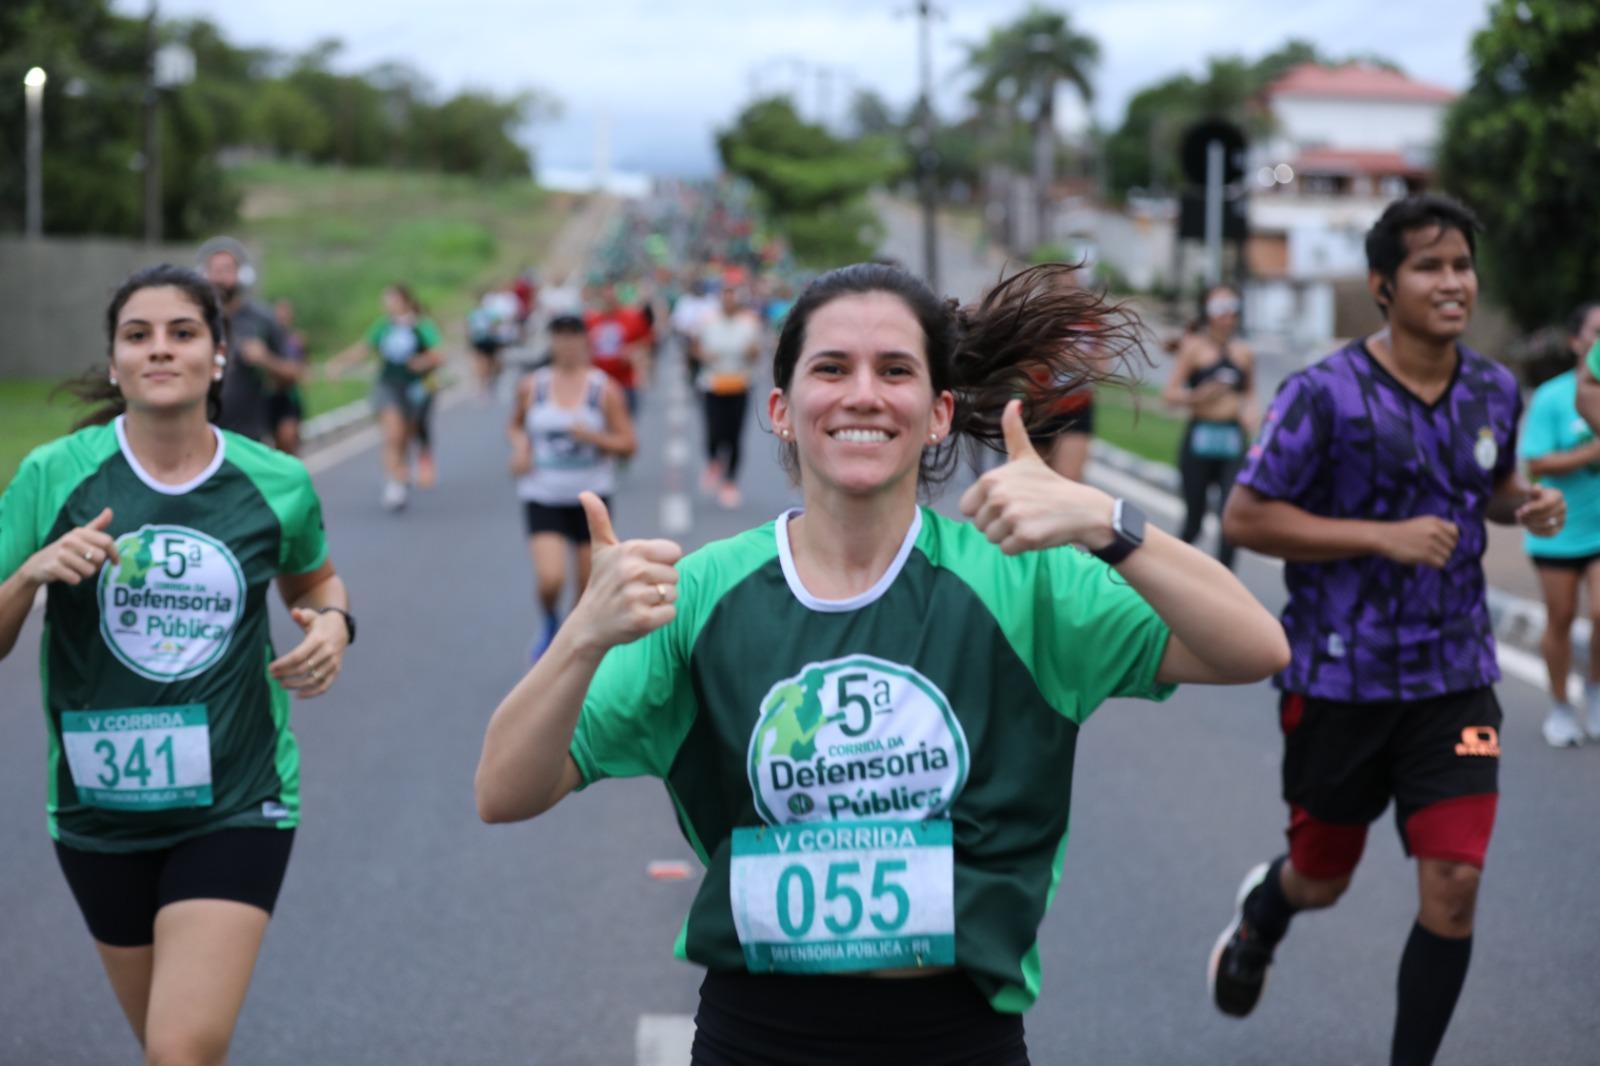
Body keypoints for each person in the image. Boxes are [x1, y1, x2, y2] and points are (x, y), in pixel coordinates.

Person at [475, 262, 1289, 1063]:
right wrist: (583, 634)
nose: (863, 393)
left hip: (958, 1035)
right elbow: (504, 790)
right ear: (782, 410)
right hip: (757, 1035)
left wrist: (1105, 520)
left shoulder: (1022, 577)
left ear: (937, 414)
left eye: (894, 370)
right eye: (832, 369)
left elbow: (1254, 646)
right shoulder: (702, 594)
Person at [1210, 194, 1566, 1066]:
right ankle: (1266, 912)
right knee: (1323, 879)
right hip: (1339, 678)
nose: (1453, 284)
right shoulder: (1322, 394)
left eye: (1462, 266)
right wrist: (1379, 536)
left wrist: (1527, 504)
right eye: (1429, 267)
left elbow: (1483, 485)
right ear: (1381, 284)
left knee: (1454, 883)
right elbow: (1248, 518)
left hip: (1454, 677)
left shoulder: (1491, 388)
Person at [0, 264, 353, 1064]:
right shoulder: (53, 476)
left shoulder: (276, 482)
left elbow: (316, 578)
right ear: (116, 359)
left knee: (179, 1050)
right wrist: (30, 574)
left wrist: (334, 621)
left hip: (236, 801)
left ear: (220, 355)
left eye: (183, 333)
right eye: (139, 335)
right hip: (98, 810)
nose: (160, 350)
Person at [509, 314, 637, 661]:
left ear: (585, 342)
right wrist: (521, 450)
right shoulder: (532, 387)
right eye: (559, 337)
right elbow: (516, 426)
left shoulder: (603, 389)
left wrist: (593, 437)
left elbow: (628, 443)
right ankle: (549, 619)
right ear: (551, 342)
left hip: (590, 498)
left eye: (573, 337)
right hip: (543, 494)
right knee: (550, 579)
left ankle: (569, 648)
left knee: (584, 591)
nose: (566, 345)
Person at [1519, 302, 1600, 746]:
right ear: (1576, 341)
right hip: (1559, 531)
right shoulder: (1554, 396)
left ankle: (1595, 689)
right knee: (1562, 618)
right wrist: (1591, 453)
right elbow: (1533, 463)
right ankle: (1561, 707)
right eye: (1596, 331)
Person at [1162, 284, 1256, 569]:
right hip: (1200, 436)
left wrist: (1251, 413)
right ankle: (1169, 576)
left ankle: (1225, 587)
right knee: (1194, 521)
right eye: (1219, 308)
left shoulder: (1244, 353)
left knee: (1231, 519)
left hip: (1232, 439)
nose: (1227, 315)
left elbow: (1249, 393)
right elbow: (1169, 394)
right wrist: (1197, 396)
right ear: (1207, 312)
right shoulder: (1194, 349)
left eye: (1232, 308)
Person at [199, 238, 303, 447]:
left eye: (226, 269)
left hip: (250, 436)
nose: (219, 277)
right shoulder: (194, 319)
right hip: (201, 435)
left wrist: (265, 359)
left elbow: (295, 373)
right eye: (214, 270)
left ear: (243, 275)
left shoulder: (262, 319)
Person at [364, 284, 444, 511]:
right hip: (388, 385)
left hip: (415, 388)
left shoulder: (420, 326)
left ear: (406, 301)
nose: (389, 304)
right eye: (386, 300)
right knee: (393, 434)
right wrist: (338, 365)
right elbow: (365, 347)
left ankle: (407, 467)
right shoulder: (383, 327)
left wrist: (423, 362)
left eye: (393, 299)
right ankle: (394, 483)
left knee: (408, 434)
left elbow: (439, 354)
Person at [689, 282, 763, 509]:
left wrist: (751, 351)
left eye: (733, 297)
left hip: (739, 385)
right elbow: (694, 347)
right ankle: (713, 462)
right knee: (713, 432)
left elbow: (756, 352)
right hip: (713, 384)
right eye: (725, 297)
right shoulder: (708, 321)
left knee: (734, 436)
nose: (729, 301)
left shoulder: (749, 322)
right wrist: (703, 355)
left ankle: (730, 482)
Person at [585, 282, 652, 417]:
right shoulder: (590, 320)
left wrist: (634, 355)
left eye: (611, 297)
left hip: (624, 382)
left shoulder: (632, 317)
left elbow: (645, 343)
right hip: (598, 382)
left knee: (625, 423)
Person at [268, 298, 309, 455]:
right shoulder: (266, 340)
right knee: (276, 444)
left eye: (286, 314)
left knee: (289, 439)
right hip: (269, 397)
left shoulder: (297, 340)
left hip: (290, 396)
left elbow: (303, 365)